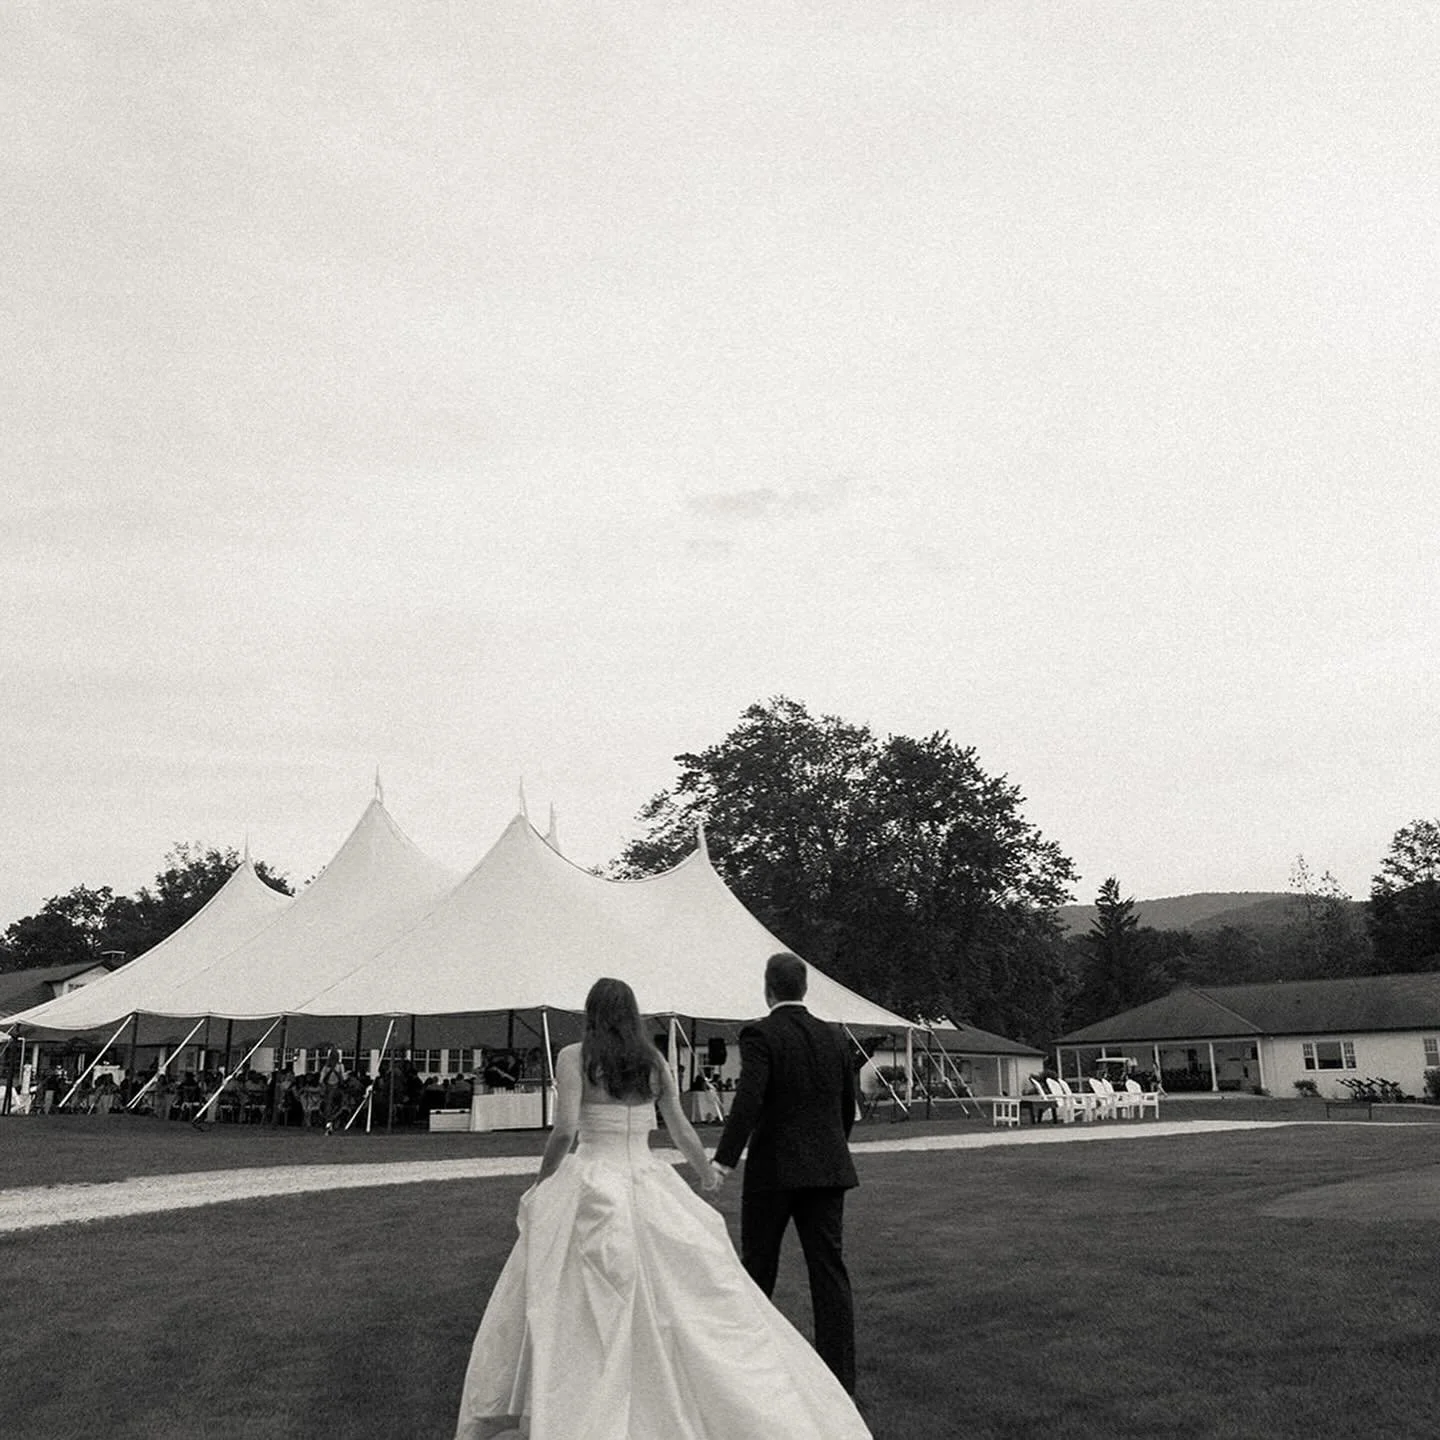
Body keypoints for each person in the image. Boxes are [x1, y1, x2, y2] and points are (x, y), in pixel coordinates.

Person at [454, 977, 869, 1440]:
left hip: (592, 1177)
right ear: (631, 1013)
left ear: (592, 1012)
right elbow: (678, 1126)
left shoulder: (575, 1057)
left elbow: (566, 1130)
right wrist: (705, 1171)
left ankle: (585, 1386)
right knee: (675, 1286)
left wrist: (543, 1181)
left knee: (572, 1290)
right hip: (645, 1176)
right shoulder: (651, 1060)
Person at [712, 951, 860, 1395]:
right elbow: (846, 1106)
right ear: (805, 988)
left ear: (768, 988)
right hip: (828, 1168)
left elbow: (749, 1099)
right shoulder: (834, 1036)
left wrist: (724, 1159)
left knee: (759, 1267)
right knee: (829, 1272)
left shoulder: (760, 1034)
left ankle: (751, 1369)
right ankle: (840, 1379)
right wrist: (833, 1146)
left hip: (774, 1170)